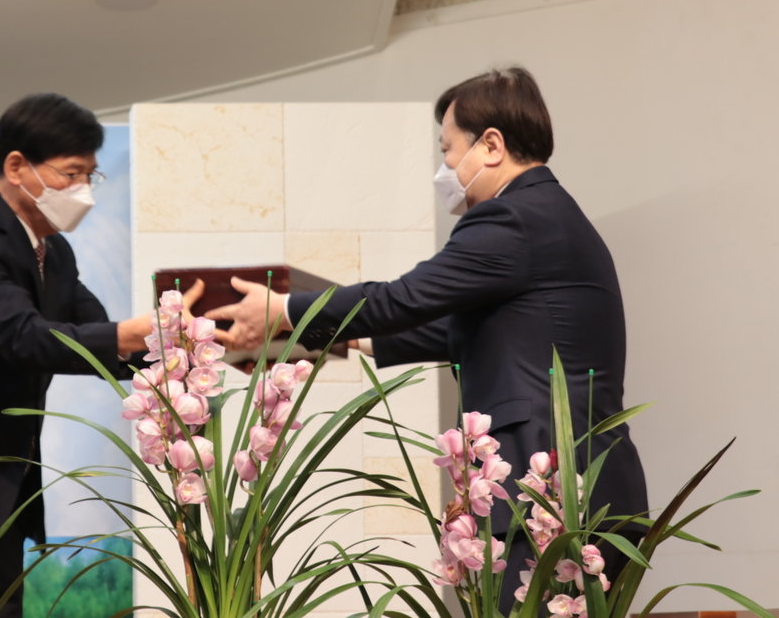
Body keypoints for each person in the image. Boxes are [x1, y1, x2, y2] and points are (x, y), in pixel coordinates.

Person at [207, 67, 647, 609]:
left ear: (491, 146)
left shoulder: (511, 218)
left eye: (448, 150)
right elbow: (454, 331)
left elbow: (403, 298)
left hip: (549, 497)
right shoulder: (550, 215)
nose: (445, 168)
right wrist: (305, 341)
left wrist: (285, 309)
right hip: (592, 490)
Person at [0, 93, 198, 618]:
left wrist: (187, 352)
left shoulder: (53, 250)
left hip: (8, 475)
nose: (82, 190)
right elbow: (24, 338)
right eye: (72, 173)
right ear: (16, 166)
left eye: (90, 176)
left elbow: (100, 343)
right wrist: (131, 333)